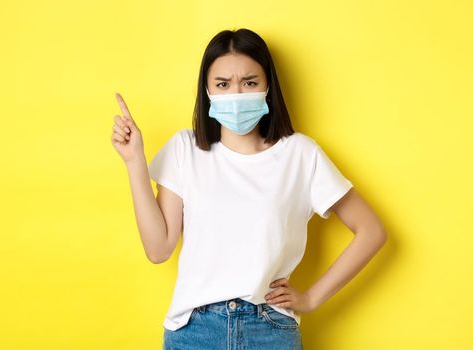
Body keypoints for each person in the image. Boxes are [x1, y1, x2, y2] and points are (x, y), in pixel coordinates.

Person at [110, 28, 388, 350]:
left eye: (250, 82)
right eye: (223, 84)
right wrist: (134, 163)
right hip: (195, 332)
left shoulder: (300, 154)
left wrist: (311, 297)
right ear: (208, 90)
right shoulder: (185, 149)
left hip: (269, 330)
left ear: (268, 87)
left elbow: (371, 231)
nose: (237, 94)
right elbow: (158, 250)